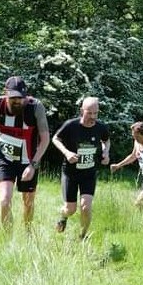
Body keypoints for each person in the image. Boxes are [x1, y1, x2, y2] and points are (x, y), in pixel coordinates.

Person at [0, 76, 50, 231]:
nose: (17, 102)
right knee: (4, 200)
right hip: (5, 159)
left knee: (28, 202)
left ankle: (27, 232)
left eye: (20, 98)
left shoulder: (36, 107)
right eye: (13, 98)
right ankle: (8, 239)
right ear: (5, 94)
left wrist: (33, 165)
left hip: (29, 161)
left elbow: (45, 139)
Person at [51, 97, 110, 240]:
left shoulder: (101, 127)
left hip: (89, 174)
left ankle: (82, 237)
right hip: (71, 173)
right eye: (89, 113)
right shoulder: (71, 125)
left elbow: (106, 140)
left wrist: (105, 152)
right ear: (81, 111)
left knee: (86, 207)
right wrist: (67, 152)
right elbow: (55, 139)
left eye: (96, 113)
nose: (93, 117)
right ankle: (63, 217)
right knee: (70, 209)